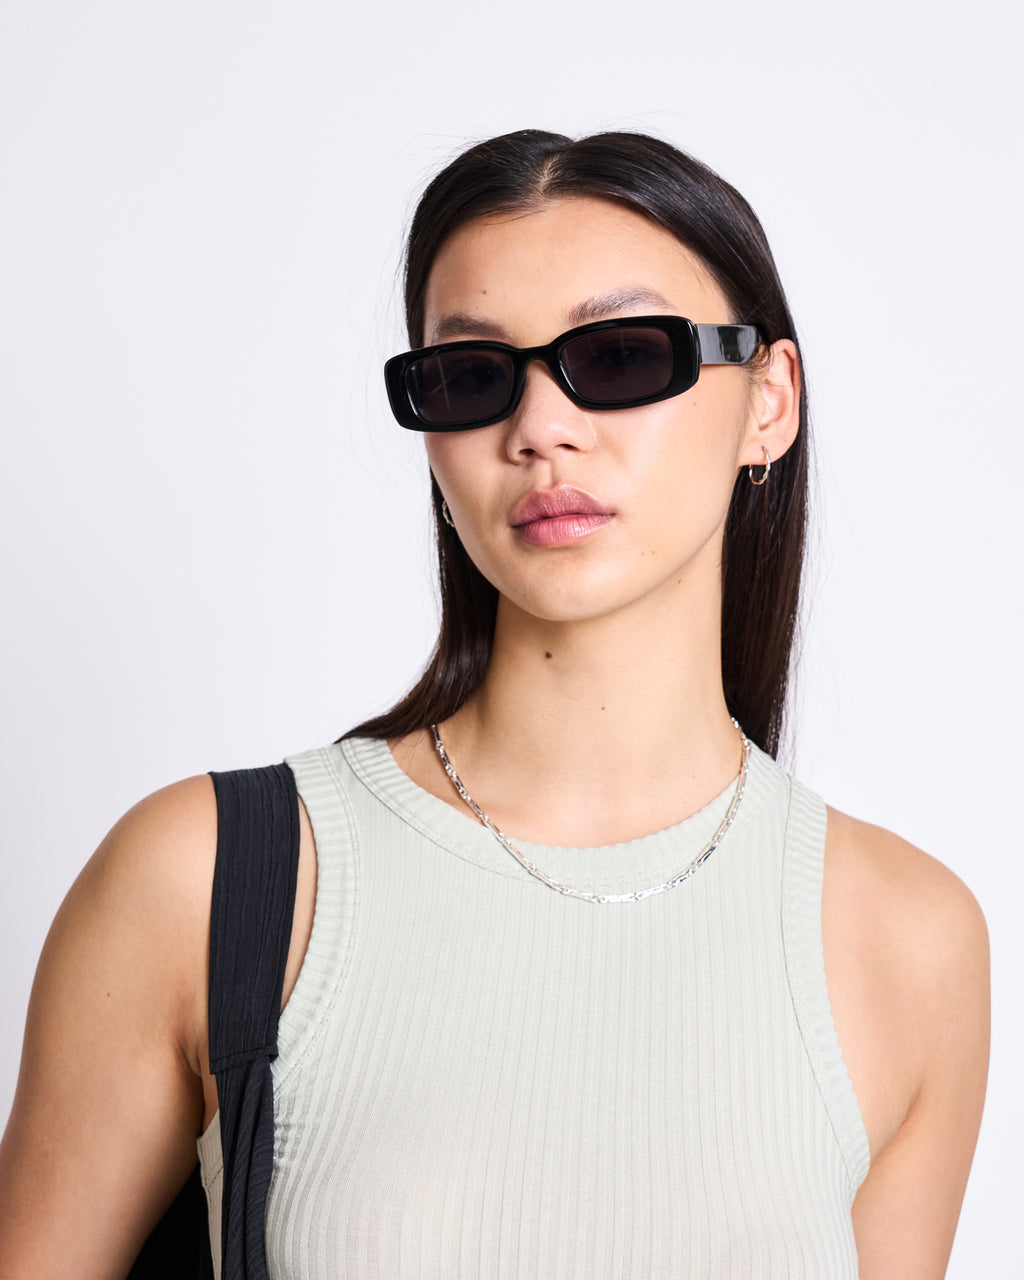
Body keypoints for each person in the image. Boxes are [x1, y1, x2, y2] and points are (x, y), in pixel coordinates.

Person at [0, 130, 989, 1279]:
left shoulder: (907, 939)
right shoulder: (213, 876)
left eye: (619, 357)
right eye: (473, 378)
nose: (540, 428)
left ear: (768, 401)